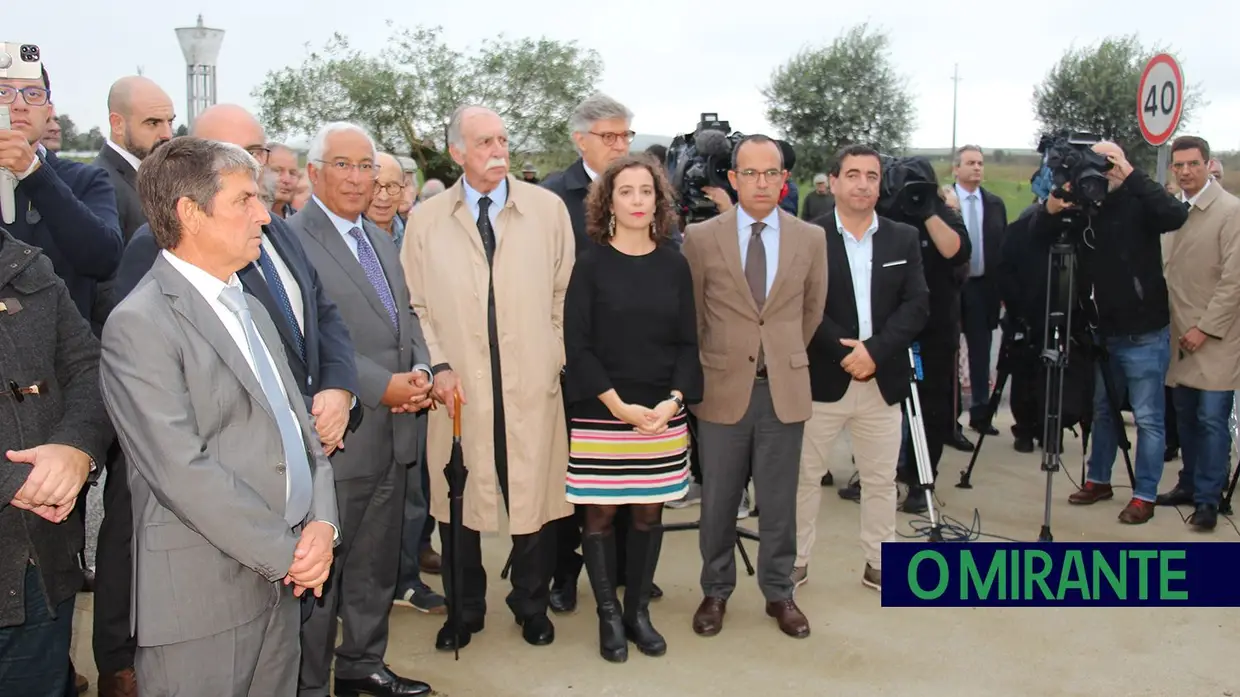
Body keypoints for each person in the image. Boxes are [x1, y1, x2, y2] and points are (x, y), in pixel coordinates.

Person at [98, 137, 339, 696]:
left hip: (283, 582)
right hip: (203, 598)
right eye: (245, 200)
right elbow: (181, 470)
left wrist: (323, 525)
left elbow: (299, 429)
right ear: (190, 213)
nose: (264, 213)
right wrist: (290, 554)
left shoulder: (249, 305)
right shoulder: (140, 323)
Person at [402, 105, 575, 652]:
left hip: (531, 382)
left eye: (502, 139)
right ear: (456, 153)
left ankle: (531, 603)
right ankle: (465, 608)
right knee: (459, 501)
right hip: (459, 388)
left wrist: (553, 355)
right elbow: (417, 305)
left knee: (533, 500)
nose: (498, 150)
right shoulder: (427, 219)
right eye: (483, 142)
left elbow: (562, 294)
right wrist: (440, 364)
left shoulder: (547, 210)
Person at [288, 122, 434, 697]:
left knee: (374, 567)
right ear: (315, 172)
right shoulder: (291, 240)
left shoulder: (377, 237)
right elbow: (310, 338)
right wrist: (382, 386)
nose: (357, 178)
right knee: (326, 573)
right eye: (343, 165)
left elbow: (407, 317)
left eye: (365, 166)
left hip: (393, 436)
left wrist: (422, 369)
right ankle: (310, 683)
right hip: (341, 438)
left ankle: (362, 666)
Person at [682, 134, 827, 639]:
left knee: (779, 501)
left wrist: (779, 355)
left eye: (771, 173)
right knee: (718, 501)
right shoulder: (702, 238)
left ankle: (778, 592)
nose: (761, 182)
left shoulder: (810, 238)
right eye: (750, 173)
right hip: (722, 390)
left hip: (782, 391)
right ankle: (715, 590)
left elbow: (811, 312)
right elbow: (695, 313)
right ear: (733, 178)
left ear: (785, 179)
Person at [564, 154, 702, 662]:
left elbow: (689, 343)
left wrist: (672, 403)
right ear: (609, 202)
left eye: (647, 191)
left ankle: (637, 612)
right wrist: (617, 405)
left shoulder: (674, 263)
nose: (638, 200)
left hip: (661, 416)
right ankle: (607, 614)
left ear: (658, 199)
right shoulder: (591, 263)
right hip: (603, 412)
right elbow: (577, 346)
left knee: (648, 517)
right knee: (599, 519)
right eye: (627, 192)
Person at [795, 145, 929, 591]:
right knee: (805, 478)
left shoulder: (902, 237)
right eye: (852, 174)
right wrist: (843, 351)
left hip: (882, 378)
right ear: (833, 182)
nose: (862, 184)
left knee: (880, 479)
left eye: (871, 176)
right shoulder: (807, 236)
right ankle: (795, 561)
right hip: (823, 380)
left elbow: (916, 305)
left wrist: (875, 351)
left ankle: (879, 562)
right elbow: (802, 306)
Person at [542, 93, 656, 615]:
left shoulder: (644, 194)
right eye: (610, 136)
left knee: (637, 474)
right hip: (576, 362)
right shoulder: (551, 199)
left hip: (638, 361)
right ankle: (565, 574)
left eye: (626, 135)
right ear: (580, 139)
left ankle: (633, 574)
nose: (619, 145)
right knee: (580, 479)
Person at [1033, 141, 1188, 523]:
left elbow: (1174, 214)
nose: (1104, 172)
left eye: (1109, 162)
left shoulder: (1139, 199)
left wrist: (1131, 174)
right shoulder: (1088, 205)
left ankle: (1144, 494)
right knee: (1103, 412)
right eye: (1098, 164)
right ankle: (1098, 479)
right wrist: (1052, 205)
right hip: (1104, 332)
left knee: (1149, 419)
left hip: (1145, 332)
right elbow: (1039, 236)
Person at [0, 224, 114, 697]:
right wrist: (12, 480)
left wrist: (76, 451)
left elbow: (88, 368)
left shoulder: (26, 264)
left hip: (37, 566)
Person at [1157, 135, 1240, 531]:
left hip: (1215, 340)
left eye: (1193, 164)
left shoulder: (1230, 212)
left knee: (1211, 420)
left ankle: (1209, 500)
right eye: (1179, 165)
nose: (1186, 171)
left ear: (1208, 165)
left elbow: (1233, 282)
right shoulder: (1174, 212)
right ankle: (1189, 484)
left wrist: (1205, 329)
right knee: (1185, 416)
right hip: (1178, 336)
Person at [953, 145, 1007, 435]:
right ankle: (949, 417)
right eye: (971, 163)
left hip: (984, 287)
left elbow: (1003, 248)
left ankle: (980, 412)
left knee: (980, 350)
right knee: (949, 350)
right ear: (956, 169)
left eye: (980, 163)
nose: (977, 168)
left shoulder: (995, 204)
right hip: (952, 288)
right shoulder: (944, 201)